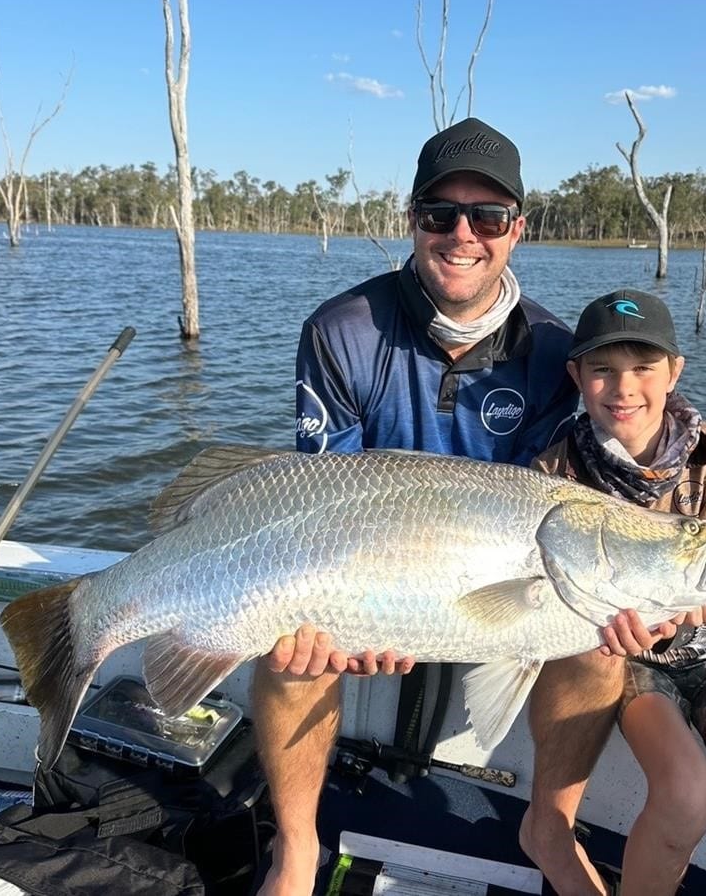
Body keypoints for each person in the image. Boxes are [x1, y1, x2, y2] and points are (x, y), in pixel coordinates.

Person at [252, 117, 644, 896]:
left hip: (500, 576)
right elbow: (324, 495)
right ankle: (295, 849)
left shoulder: (556, 354)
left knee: (601, 644)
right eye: (441, 214)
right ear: (413, 221)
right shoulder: (342, 330)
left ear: (517, 231)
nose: (463, 235)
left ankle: (550, 824)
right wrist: (354, 610)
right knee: (289, 641)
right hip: (366, 567)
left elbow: (560, 489)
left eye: (488, 217)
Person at [534, 288, 706, 896]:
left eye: (644, 368)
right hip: (631, 657)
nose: (624, 388)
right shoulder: (554, 472)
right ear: (576, 376)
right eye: (603, 370)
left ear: (674, 372)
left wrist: (701, 596)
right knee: (686, 794)